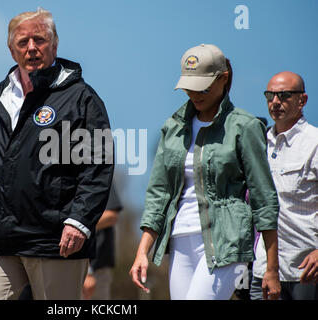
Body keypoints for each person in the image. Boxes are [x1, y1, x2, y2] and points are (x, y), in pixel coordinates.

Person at [0, 8, 113, 300]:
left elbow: (98, 165)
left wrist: (80, 222)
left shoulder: (82, 99)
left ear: (55, 44)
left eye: (40, 39)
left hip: (56, 240)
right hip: (0, 241)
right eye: (23, 42)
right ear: (12, 50)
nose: (32, 48)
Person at [130, 44, 281, 300]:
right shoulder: (173, 127)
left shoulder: (244, 126)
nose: (195, 93)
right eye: (189, 86)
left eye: (203, 86)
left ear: (223, 79)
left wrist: (272, 268)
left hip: (228, 241)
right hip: (179, 239)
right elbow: (159, 193)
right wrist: (142, 251)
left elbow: (264, 197)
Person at [251, 71, 318, 300]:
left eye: (284, 95)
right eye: (270, 95)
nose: (275, 102)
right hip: (263, 272)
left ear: (303, 100)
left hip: (306, 272)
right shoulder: (257, 143)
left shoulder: (315, 142)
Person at [83, 184, 122, 300]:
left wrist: (78, 225)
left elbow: (111, 215)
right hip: (68, 266)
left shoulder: (101, 172)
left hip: (98, 266)